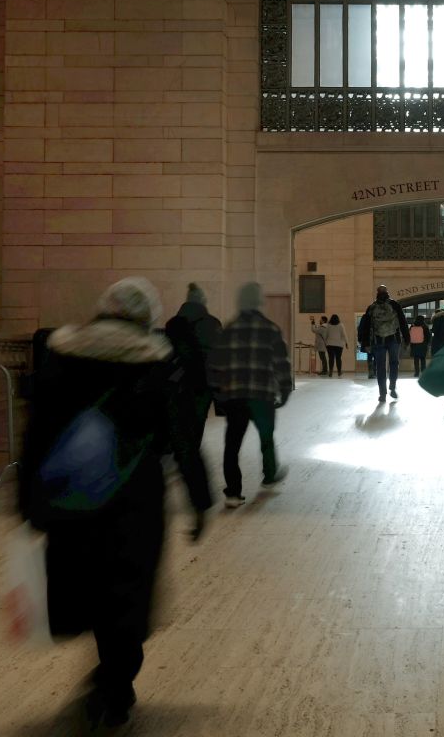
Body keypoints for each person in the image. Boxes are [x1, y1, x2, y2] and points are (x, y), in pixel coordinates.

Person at [17, 277, 213, 730]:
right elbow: (182, 437)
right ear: (148, 316)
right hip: (134, 497)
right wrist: (200, 500)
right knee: (127, 590)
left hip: (71, 497)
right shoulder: (158, 360)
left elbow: (36, 433)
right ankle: (114, 687)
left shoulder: (61, 352)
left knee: (82, 583)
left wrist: (27, 499)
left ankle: (108, 679)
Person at [208, 282, 293, 508]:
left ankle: (233, 493)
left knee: (232, 444)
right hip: (262, 394)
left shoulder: (229, 329)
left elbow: (216, 364)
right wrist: (285, 388)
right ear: (259, 302)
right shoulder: (270, 329)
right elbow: (280, 363)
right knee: (266, 437)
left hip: (235, 395)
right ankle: (269, 475)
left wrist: (219, 392)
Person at [163, 283, 222, 484]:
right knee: (197, 420)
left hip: (176, 381)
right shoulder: (212, 323)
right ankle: (190, 457)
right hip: (203, 382)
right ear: (203, 301)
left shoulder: (172, 324)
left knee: (177, 417)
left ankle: (175, 454)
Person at [357, 284, 409, 403]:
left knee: (380, 366)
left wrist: (365, 342)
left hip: (378, 340)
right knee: (394, 363)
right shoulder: (395, 305)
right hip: (394, 339)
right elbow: (402, 322)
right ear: (387, 292)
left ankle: (382, 393)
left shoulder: (371, 307)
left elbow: (366, 327)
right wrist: (407, 338)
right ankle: (392, 386)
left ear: (377, 293)